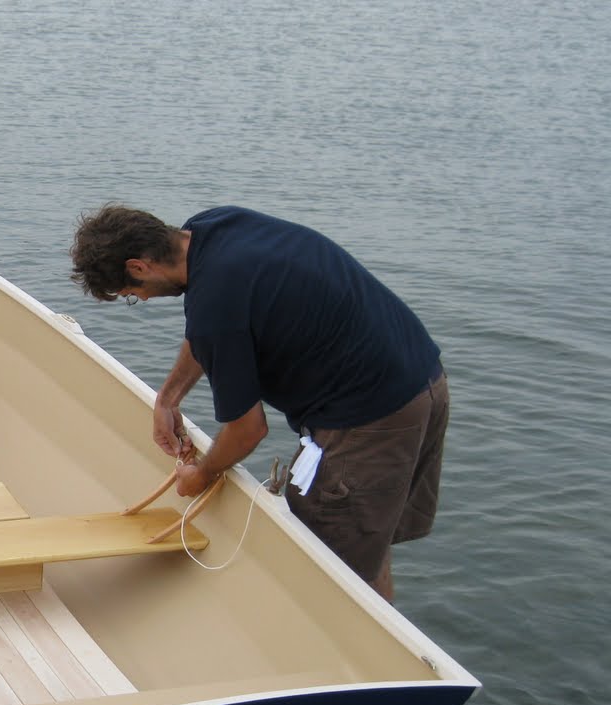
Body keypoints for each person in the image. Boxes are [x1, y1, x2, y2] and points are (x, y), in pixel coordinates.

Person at [69, 204, 448, 600]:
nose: (143, 299)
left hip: (372, 420)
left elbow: (248, 430)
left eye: (132, 293)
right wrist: (168, 399)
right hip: (425, 379)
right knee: (364, 546)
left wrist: (201, 474)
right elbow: (213, 329)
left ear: (139, 266)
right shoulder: (216, 226)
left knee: (339, 573)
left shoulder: (214, 307)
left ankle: (367, 657)